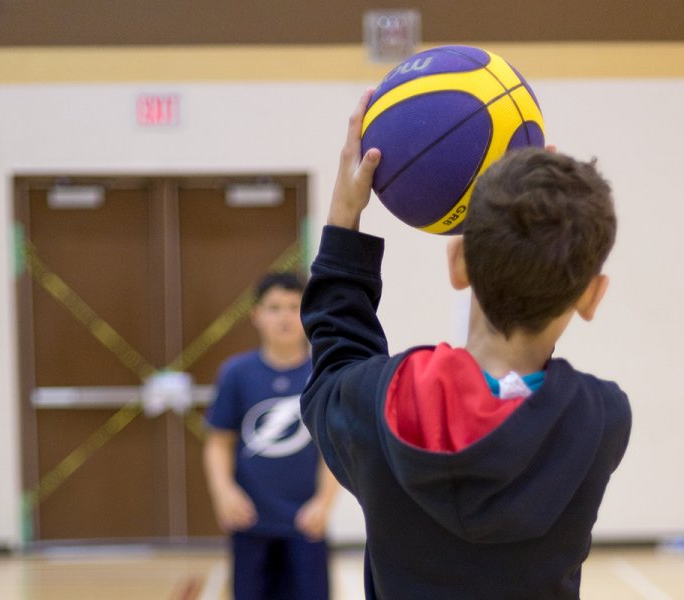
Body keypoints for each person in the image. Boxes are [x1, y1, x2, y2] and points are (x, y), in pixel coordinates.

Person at [299, 90, 632, 599]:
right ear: (592, 296)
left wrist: (345, 216)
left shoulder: (380, 403)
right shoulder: (602, 418)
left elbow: (335, 357)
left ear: (457, 264)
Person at [204, 272, 339, 600]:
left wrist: (323, 503)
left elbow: (333, 448)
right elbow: (218, 441)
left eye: (294, 307)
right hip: (251, 520)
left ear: (307, 314)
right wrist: (224, 493)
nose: (284, 317)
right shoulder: (237, 373)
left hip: (305, 523)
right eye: (275, 307)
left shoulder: (321, 375)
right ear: (257, 315)